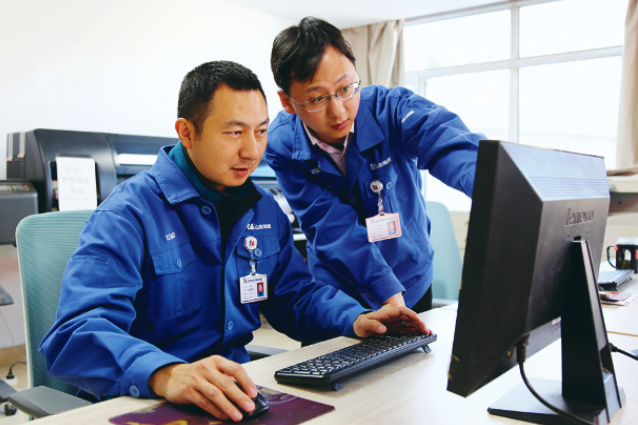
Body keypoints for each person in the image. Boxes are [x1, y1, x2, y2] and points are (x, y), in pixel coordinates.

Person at [40, 60, 429, 423]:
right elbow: (74, 334)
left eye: (260, 131)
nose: (252, 151)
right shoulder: (127, 215)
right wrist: (166, 373)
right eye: (234, 132)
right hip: (147, 400)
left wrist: (355, 318)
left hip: (236, 397)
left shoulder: (263, 210)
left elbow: (294, 296)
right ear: (187, 132)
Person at [266, 17, 483, 315]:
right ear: (288, 102)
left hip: (410, 276)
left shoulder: (391, 108)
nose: (338, 111)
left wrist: (495, 189)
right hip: (339, 291)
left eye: (346, 88)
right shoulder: (282, 144)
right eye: (317, 99)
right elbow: (329, 224)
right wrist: (385, 290)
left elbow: (448, 144)